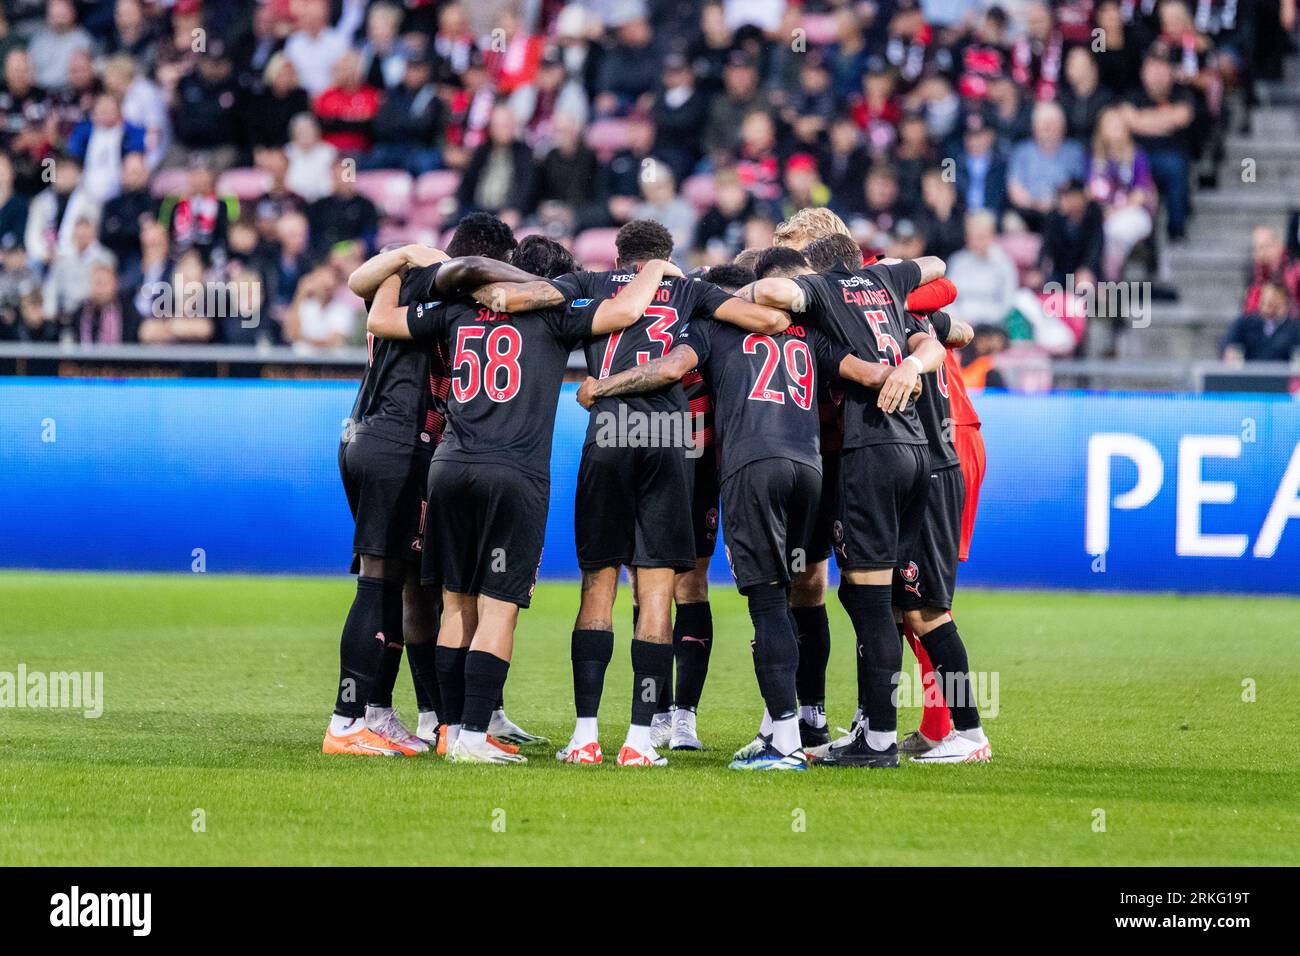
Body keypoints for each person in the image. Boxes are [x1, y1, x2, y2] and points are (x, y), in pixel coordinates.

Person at [471, 220, 785, 767]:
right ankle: (640, 741)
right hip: (669, 436)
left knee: (598, 585)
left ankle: (585, 736)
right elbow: (768, 320)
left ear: (620, 255)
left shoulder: (589, 282)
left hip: (608, 432)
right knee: (658, 590)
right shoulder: (688, 289)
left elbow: (518, 297)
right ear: (665, 255)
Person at [575, 277, 920, 770]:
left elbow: (671, 367)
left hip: (753, 467)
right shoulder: (809, 334)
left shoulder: (712, 330)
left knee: (767, 600)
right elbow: (867, 372)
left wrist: (601, 388)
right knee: (807, 591)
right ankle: (815, 719)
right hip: (812, 471)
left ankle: (783, 741)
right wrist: (911, 363)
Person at [364, 221, 657, 765]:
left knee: (455, 607)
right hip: (514, 474)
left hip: (449, 468)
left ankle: (450, 731)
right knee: (498, 611)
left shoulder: (455, 309)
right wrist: (657, 270)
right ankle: (475, 735)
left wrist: (397, 262)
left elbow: (380, 320)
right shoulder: (555, 313)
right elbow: (626, 312)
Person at [740, 248, 949, 767]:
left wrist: (750, 293)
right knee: (886, 602)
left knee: (870, 601)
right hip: (916, 449)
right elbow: (938, 268)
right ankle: (874, 729)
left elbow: (772, 293)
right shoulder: (884, 279)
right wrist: (910, 357)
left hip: (869, 450)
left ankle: (877, 741)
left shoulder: (820, 293)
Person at [1221, 281, 1300, 364]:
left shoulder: (1295, 329)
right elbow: (1228, 344)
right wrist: (1230, 351)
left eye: (1273, 298)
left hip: (1282, 375)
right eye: (1264, 297)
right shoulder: (1245, 323)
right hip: (1250, 375)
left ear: (1284, 301)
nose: (1267, 302)